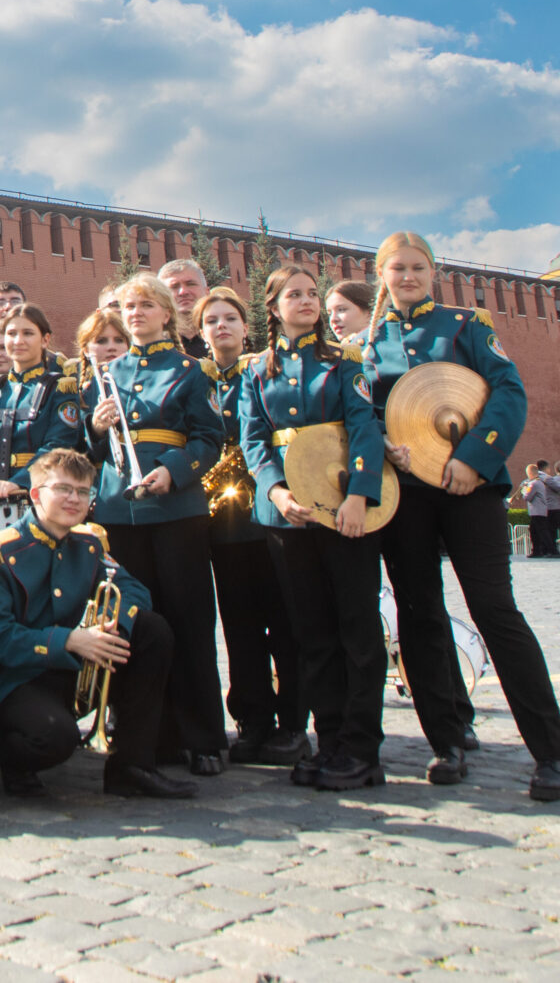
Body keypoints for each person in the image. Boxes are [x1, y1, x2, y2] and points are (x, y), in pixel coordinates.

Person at [363, 231, 560, 802]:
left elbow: (508, 393)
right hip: (406, 494)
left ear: (434, 273)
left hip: (469, 489)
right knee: (420, 615)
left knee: (495, 610)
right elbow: (363, 414)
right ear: (381, 275)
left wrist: (475, 460)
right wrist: (384, 444)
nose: (407, 277)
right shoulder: (367, 345)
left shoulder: (465, 327)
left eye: (417, 268)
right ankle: (446, 740)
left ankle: (550, 753)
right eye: (397, 269)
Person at [0, 447, 191, 800]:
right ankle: (10, 757)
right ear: (36, 494)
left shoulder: (89, 542)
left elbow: (133, 590)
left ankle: (132, 766)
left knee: (151, 631)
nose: (74, 499)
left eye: (83, 491)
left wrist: (109, 628)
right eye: (63, 489)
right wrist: (69, 641)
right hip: (19, 679)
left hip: (73, 669)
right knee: (56, 740)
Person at [243, 266, 389, 791]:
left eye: (311, 294)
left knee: (358, 629)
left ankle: (362, 750)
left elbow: (365, 428)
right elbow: (254, 439)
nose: (306, 302)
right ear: (274, 308)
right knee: (312, 634)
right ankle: (329, 744)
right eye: (294, 295)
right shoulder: (257, 370)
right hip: (289, 515)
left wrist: (359, 497)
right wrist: (277, 492)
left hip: (343, 507)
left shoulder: (345, 361)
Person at [86, 273, 228, 777]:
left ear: (167, 314)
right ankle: (147, 736)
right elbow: (97, 451)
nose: (136, 314)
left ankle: (203, 735)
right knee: (136, 625)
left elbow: (210, 438)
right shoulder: (107, 373)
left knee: (188, 621)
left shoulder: (190, 371)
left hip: (175, 509)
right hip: (119, 510)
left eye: (146, 305)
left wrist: (174, 471)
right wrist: (96, 427)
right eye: (128, 307)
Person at [199, 286, 308, 768]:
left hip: (269, 509)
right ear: (201, 333)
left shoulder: (265, 370)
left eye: (229, 318)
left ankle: (293, 724)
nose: (220, 326)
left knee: (284, 621)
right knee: (239, 625)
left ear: (246, 328)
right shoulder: (195, 378)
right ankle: (252, 720)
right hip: (221, 521)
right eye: (211, 321)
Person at [0, 306, 85, 495]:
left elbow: (58, 446)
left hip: (41, 491)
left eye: (28, 333)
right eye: (11, 334)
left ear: (45, 340)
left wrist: (20, 482)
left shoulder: (59, 387)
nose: (18, 341)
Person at [157, 258, 210, 359]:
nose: (183, 292)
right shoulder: (154, 346)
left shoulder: (224, 339)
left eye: (191, 284)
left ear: (207, 292)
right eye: (174, 287)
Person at [521, 462, 558, 558]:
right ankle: (537, 550)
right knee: (534, 531)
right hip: (540, 511)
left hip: (537, 511)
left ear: (530, 473)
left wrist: (524, 489)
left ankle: (551, 551)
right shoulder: (540, 482)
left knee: (542, 531)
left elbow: (527, 497)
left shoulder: (533, 484)